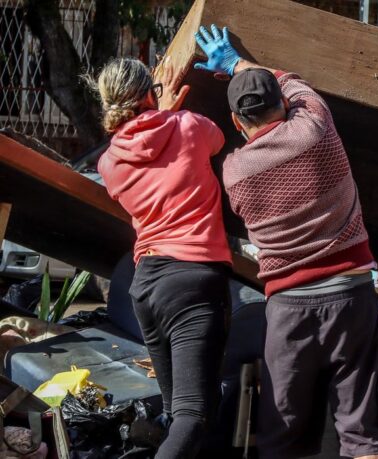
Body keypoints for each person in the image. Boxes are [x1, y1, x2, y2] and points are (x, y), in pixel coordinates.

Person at [194, 25, 378, 459]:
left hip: (287, 311)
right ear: (283, 105)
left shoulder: (235, 171)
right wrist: (237, 64)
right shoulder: (315, 130)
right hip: (351, 298)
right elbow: (296, 84)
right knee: (365, 437)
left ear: (235, 122)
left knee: (283, 440)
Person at [94, 58, 231, 459]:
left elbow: (146, 145)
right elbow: (218, 140)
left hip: (148, 286)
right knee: (193, 415)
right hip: (193, 281)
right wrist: (168, 111)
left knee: (175, 412)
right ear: (149, 92)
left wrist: (158, 112)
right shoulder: (188, 126)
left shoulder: (109, 164)